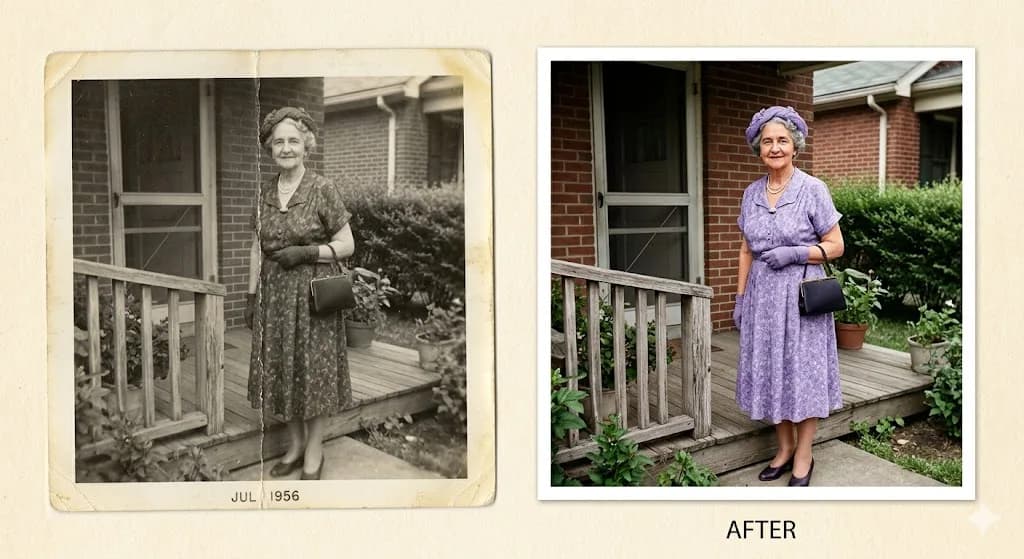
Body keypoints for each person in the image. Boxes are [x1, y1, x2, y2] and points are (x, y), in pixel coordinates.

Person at [733, 106, 845, 487]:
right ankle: (782, 449)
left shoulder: (812, 189)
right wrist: (740, 297)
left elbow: (836, 245)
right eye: (768, 141)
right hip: (762, 298)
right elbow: (746, 250)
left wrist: (798, 252)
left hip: (801, 297)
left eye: (782, 140)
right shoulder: (751, 194)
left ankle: (804, 454)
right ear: (758, 148)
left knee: (802, 373)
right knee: (772, 373)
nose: (775, 147)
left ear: (794, 145)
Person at [244, 106, 355, 480]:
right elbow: (255, 247)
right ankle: (293, 445)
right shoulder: (263, 193)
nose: (286, 148)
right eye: (279, 142)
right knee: (281, 370)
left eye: (293, 140)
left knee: (314, 373)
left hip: (312, 296)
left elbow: (347, 244)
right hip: (274, 296)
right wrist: (250, 294)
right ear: (269, 149)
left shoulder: (322, 188)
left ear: (306, 145)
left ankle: (315, 450)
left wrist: (308, 252)